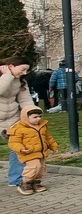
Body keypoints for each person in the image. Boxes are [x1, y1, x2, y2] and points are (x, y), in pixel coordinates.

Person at [7, 105, 57, 195]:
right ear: (26, 117)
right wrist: (21, 149)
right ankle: (25, 183)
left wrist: (53, 146)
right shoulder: (18, 128)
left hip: (41, 152)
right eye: (35, 117)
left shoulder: (42, 126)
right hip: (28, 152)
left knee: (41, 168)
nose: (38, 119)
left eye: (40, 116)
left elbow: (48, 138)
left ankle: (36, 182)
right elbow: (13, 142)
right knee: (34, 167)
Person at [0, 59, 35, 188]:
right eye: (22, 69)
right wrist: (7, 76)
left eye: (26, 70)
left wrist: (32, 114)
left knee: (17, 148)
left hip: (12, 119)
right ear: (10, 66)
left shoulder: (20, 81)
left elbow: (25, 100)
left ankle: (16, 178)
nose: (24, 73)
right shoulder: (6, 77)